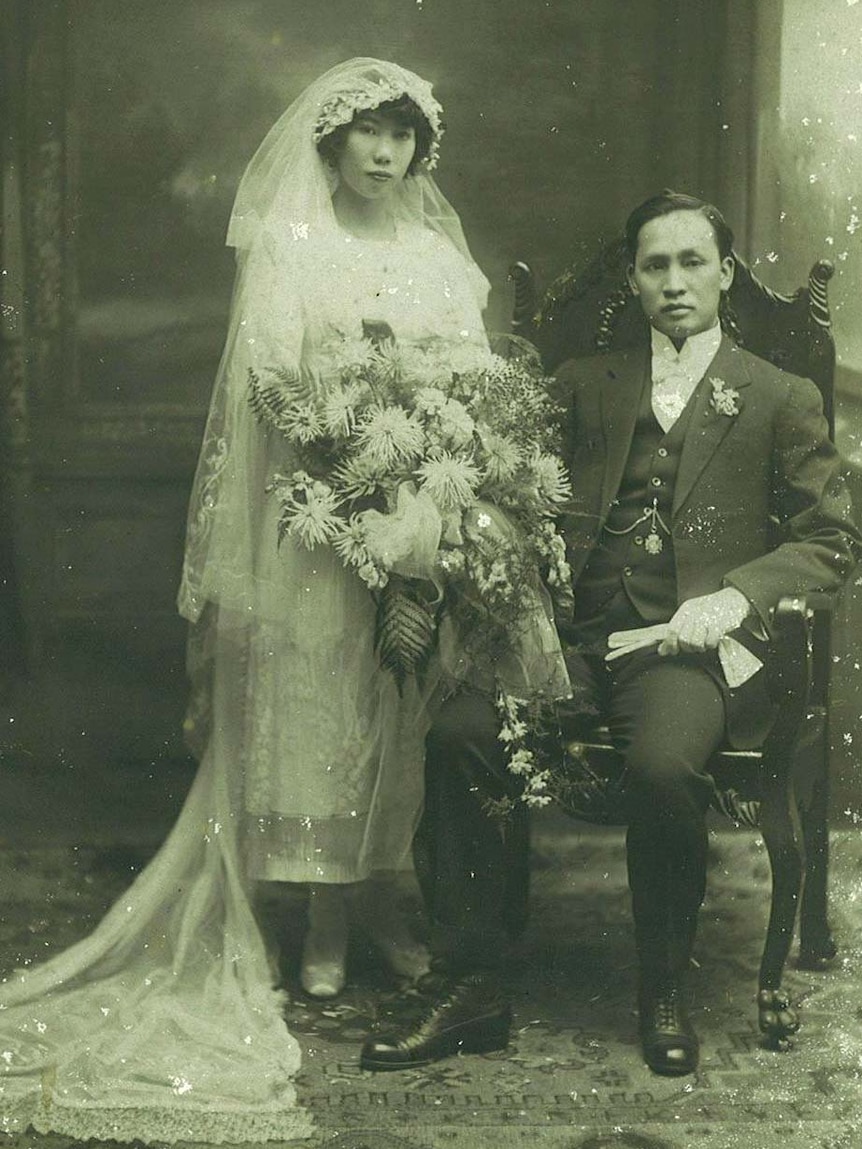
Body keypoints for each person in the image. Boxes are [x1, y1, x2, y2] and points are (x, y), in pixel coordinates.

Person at [0, 58, 497, 1144]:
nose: (382, 152)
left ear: (421, 149)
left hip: (413, 517)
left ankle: (369, 896)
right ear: (328, 144)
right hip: (315, 520)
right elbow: (269, 384)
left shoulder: (435, 258)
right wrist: (350, 455)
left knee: (394, 706)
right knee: (312, 710)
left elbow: (472, 380)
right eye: (363, 133)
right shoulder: (291, 247)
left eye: (400, 135)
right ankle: (306, 916)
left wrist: (427, 470)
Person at [359, 191, 861, 1078]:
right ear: (632, 279)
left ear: (725, 273)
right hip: (567, 636)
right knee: (464, 734)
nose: (674, 282)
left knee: (664, 767)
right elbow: (505, 487)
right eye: (655, 265)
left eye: (692, 262)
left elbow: (830, 540)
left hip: (688, 646)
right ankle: (469, 980)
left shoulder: (781, 395)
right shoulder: (583, 380)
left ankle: (662, 981)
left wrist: (734, 599)